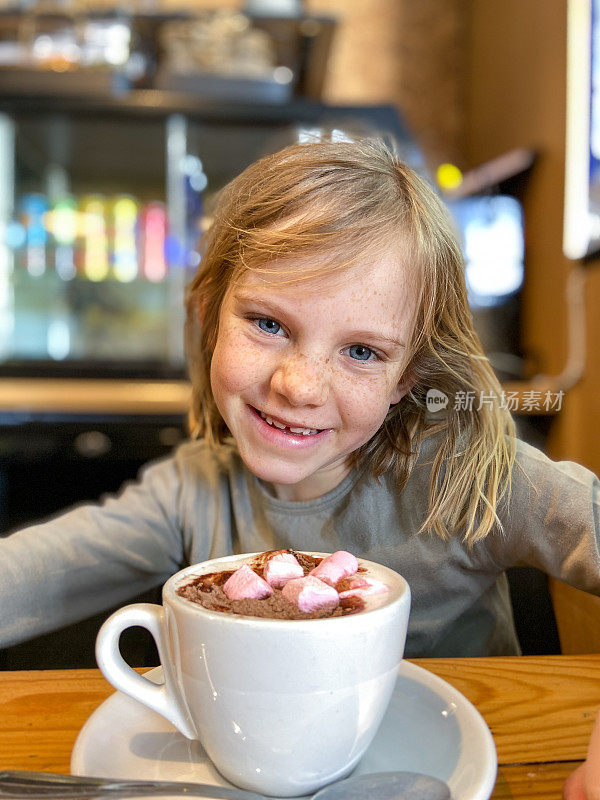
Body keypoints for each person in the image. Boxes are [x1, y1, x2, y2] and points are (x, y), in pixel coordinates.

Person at [1, 137, 599, 663]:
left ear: (407, 377)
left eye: (363, 352)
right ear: (211, 320)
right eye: (268, 323)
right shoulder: (192, 494)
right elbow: (27, 577)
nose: (299, 387)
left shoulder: (473, 481)